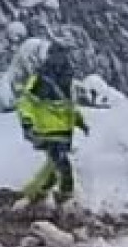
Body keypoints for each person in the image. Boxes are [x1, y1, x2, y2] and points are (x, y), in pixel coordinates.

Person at [15, 43, 90, 209]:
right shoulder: (40, 78)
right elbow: (25, 102)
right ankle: (66, 200)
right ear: (49, 56)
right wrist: (27, 122)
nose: (60, 59)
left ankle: (34, 197)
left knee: (52, 169)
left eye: (62, 55)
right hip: (46, 131)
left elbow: (69, 106)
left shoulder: (68, 79)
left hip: (64, 131)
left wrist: (79, 121)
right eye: (56, 55)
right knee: (63, 166)